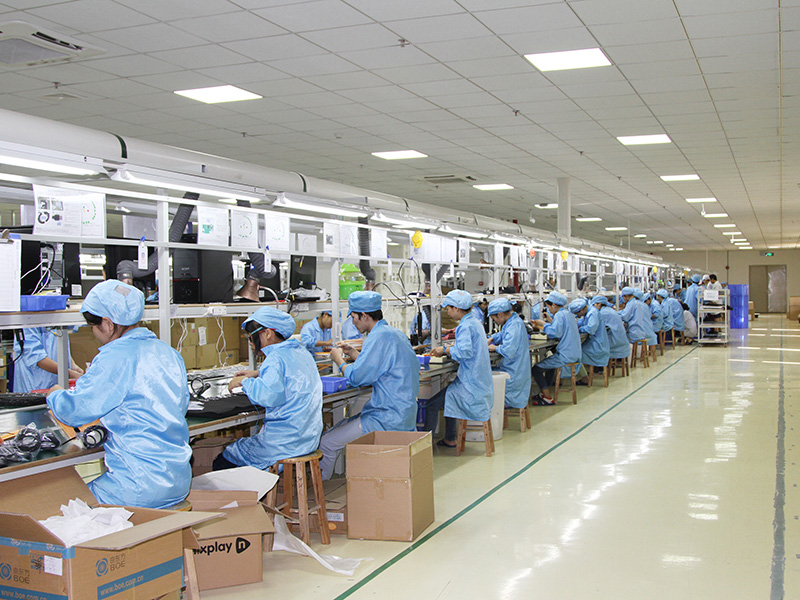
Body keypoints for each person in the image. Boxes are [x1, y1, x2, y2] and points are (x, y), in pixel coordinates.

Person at [45, 279, 191, 509]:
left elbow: (74, 411)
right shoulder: (168, 353)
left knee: (60, 507)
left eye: (93, 327)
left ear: (107, 324)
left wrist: (55, 394)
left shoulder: (114, 356)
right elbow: (179, 404)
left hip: (138, 486)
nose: (94, 333)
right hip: (178, 480)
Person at [323, 291, 420, 479]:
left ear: (364, 315)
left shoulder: (377, 337)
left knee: (327, 442)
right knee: (342, 427)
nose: (353, 323)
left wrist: (338, 360)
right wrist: (353, 353)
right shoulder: (394, 334)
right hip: (403, 413)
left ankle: (322, 489)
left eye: (354, 317)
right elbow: (377, 365)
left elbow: (357, 377)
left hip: (386, 418)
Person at [215, 307, 322, 471]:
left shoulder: (275, 358)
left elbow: (269, 396)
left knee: (226, 457)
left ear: (267, 334)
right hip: (308, 439)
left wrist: (244, 382)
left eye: (251, 337)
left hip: (282, 444)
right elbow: (292, 374)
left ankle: (247, 488)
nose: (250, 342)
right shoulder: (301, 351)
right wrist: (259, 374)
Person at [423, 290, 493, 448]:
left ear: (456, 308)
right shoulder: (475, 322)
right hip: (478, 381)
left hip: (470, 385)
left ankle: (425, 447)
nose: (448, 312)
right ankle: (450, 438)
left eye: (448, 308)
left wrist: (445, 350)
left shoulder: (465, 326)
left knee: (432, 405)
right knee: (449, 397)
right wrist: (451, 347)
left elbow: (464, 352)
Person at [530, 291, 581, 405]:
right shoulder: (567, 313)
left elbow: (555, 333)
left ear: (553, 305)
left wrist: (543, 324)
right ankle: (544, 392)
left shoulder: (559, 315)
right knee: (550, 365)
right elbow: (561, 327)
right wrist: (549, 320)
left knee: (536, 369)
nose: (548, 309)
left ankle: (547, 397)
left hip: (566, 355)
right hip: (573, 353)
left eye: (548, 307)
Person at [487, 298, 531, 410]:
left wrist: (495, 348)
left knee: (482, 377)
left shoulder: (513, 325)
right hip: (516, 369)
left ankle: (492, 410)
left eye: (493, 318)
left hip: (513, 374)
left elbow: (508, 350)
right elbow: (503, 334)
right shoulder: (512, 321)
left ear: (500, 315)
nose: (495, 321)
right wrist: (492, 338)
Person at [12, 328, 82, 393]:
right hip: (35, 386)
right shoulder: (28, 324)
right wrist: (69, 373)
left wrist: (73, 365)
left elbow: (61, 345)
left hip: (56, 384)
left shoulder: (56, 320)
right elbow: (37, 358)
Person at [569, 298, 609, 384]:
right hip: (594, 342)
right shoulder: (588, 312)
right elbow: (581, 322)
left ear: (582, 310)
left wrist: (579, 329)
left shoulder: (592, 313)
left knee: (574, 354)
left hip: (597, 345)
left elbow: (590, 328)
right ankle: (582, 376)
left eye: (577, 313)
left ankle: (583, 378)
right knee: (574, 352)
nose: (577, 315)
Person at [593, 296, 630, 362]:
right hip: (621, 341)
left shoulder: (603, 313)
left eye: (594, 305)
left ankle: (597, 364)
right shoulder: (609, 310)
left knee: (592, 345)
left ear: (599, 304)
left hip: (616, 342)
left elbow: (594, 326)